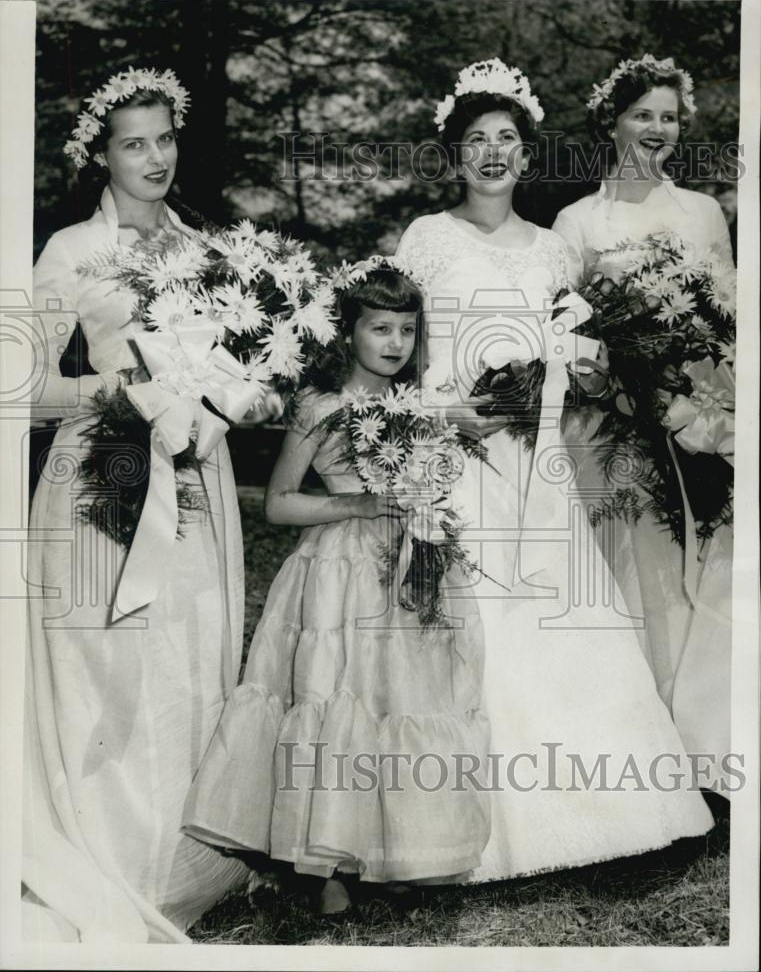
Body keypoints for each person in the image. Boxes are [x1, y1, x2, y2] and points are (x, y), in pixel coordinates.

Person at [395, 58, 715, 882]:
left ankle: (598, 819)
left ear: (527, 154)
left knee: (559, 623)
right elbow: (399, 359)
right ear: (452, 154)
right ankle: (480, 831)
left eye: (507, 139)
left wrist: (571, 370)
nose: (493, 153)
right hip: (457, 453)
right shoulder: (426, 239)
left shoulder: (550, 251)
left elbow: (582, 361)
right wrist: (445, 415)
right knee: (479, 628)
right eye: (476, 140)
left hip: (538, 459)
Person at [181, 262, 491, 915]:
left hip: (409, 561)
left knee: (399, 700)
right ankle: (324, 866)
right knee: (334, 700)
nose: (394, 342)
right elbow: (279, 504)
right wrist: (358, 504)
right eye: (379, 327)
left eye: (406, 329)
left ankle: (397, 850)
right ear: (347, 331)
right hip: (339, 568)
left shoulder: (415, 403)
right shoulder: (319, 406)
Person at [23, 68, 254, 943]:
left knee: (191, 652)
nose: (154, 158)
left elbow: (233, 364)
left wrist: (236, 397)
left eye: (164, 138)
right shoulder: (69, 252)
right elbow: (26, 387)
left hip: (199, 471)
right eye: (133, 143)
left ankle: (190, 858)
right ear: (101, 156)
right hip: (104, 477)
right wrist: (114, 390)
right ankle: (114, 856)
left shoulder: (207, 250)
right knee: (113, 661)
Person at [552, 55, 734, 795]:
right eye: (641, 114)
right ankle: (629, 762)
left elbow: (727, 315)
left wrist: (706, 406)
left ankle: (700, 747)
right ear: (611, 120)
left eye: (667, 116)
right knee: (631, 576)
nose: (655, 129)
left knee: (700, 574)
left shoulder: (701, 212)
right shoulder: (577, 220)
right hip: (613, 425)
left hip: (697, 417)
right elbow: (569, 335)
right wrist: (621, 383)